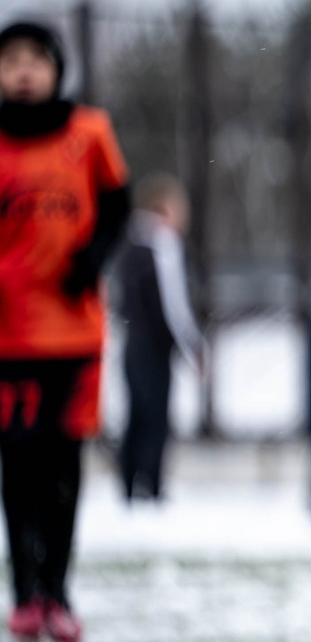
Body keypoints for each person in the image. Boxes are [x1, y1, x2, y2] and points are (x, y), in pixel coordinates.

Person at [0, 18, 130, 642]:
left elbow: (118, 204)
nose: (24, 71)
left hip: (74, 332)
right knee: (17, 463)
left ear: (57, 68)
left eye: (36, 59)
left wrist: (93, 257)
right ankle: (25, 593)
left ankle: (59, 591)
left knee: (62, 464)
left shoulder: (89, 132)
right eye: (11, 61)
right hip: (9, 334)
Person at [110, 174, 198, 504]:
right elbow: (175, 306)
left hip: (132, 344)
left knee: (136, 415)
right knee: (156, 418)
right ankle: (152, 485)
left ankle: (129, 483)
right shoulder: (163, 244)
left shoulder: (130, 241)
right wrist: (193, 347)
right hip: (156, 348)